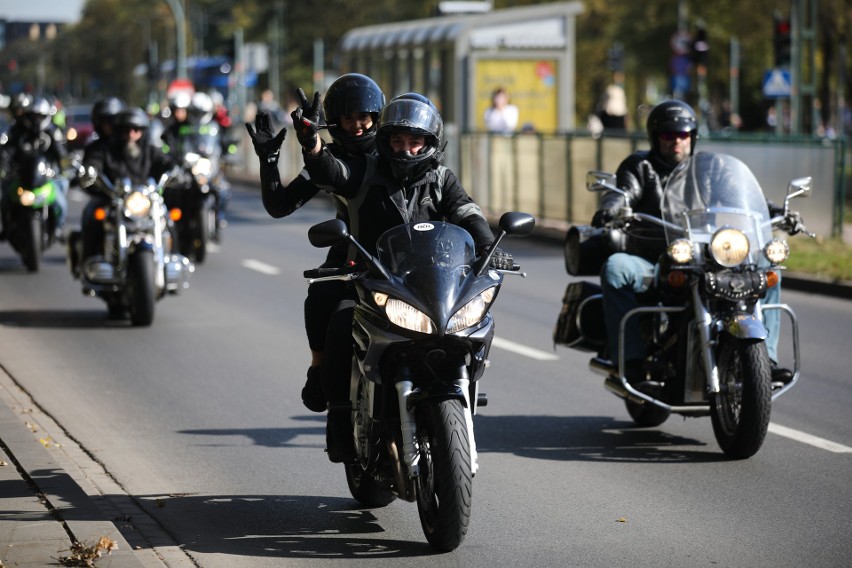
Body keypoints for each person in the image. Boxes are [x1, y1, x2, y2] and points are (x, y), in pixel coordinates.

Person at [293, 90, 513, 462]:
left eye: (415, 141)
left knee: (471, 322)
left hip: (430, 284)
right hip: (373, 280)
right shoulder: (365, 172)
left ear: (431, 143)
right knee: (341, 321)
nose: (407, 149)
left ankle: (460, 390)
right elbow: (331, 172)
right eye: (398, 140)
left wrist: (491, 250)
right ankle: (340, 417)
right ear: (385, 141)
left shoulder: (442, 179)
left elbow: (468, 214)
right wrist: (312, 142)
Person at [591, 99, 792, 385]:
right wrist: (611, 207)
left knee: (769, 268)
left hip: (708, 255)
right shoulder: (640, 166)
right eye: (668, 135)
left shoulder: (710, 169)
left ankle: (766, 359)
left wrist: (778, 212)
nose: (676, 141)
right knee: (614, 268)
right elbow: (624, 191)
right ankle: (630, 359)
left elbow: (740, 194)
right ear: (655, 137)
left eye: (683, 134)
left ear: (692, 137)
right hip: (654, 258)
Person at [245, 72, 386, 415]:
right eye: (348, 118)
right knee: (321, 297)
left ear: (376, 119)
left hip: (400, 255)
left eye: (363, 118)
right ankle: (319, 367)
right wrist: (268, 161)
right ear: (334, 122)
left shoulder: (396, 154)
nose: (356, 126)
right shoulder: (328, 160)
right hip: (351, 253)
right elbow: (280, 205)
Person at [77, 107, 178, 262]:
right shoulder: (106, 150)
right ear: (119, 131)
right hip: (113, 200)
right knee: (93, 218)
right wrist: (90, 172)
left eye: (136, 129)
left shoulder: (150, 151)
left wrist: (176, 171)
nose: (131, 134)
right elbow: (93, 163)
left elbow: (166, 163)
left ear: (143, 131)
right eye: (126, 130)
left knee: (168, 221)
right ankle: (88, 264)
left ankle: (171, 260)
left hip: (145, 201)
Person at [0, 95, 69, 241]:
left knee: (61, 200)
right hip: (20, 176)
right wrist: (4, 168)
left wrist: (65, 166)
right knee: (5, 197)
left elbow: (61, 154)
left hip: (46, 177)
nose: (36, 120)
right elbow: (7, 152)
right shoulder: (17, 131)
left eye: (40, 116)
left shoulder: (51, 132)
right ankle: (6, 228)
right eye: (33, 116)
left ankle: (58, 228)